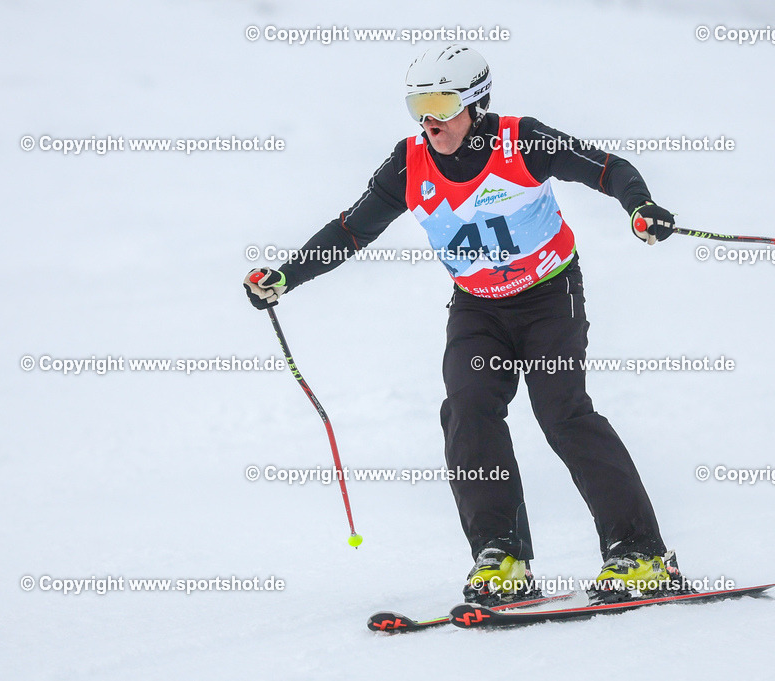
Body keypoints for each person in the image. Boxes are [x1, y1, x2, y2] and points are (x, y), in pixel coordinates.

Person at [244, 44, 686, 603]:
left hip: (550, 297)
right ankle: (502, 557)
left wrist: (639, 206)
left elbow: (607, 170)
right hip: (478, 307)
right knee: (468, 409)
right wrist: (285, 276)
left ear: (474, 102)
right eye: (416, 107)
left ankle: (640, 554)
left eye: (439, 104)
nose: (428, 121)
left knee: (562, 414)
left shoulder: (520, 140)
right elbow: (353, 230)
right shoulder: (411, 164)